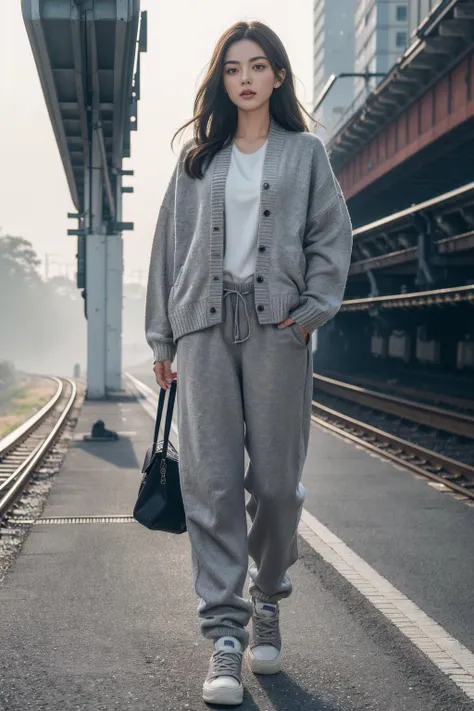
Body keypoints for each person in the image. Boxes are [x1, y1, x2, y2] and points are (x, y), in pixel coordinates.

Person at [145, 20, 352, 707]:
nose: (245, 78)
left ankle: (269, 596)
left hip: (277, 334)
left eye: (257, 66)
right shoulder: (196, 160)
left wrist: (313, 310)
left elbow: (331, 234)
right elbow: (167, 251)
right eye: (233, 68)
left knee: (275, 486)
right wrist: (162, 340)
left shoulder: (305, 154)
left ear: (278, 77)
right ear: (221, 80)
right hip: (203, 332)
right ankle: (226, 634)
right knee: (210, 485)